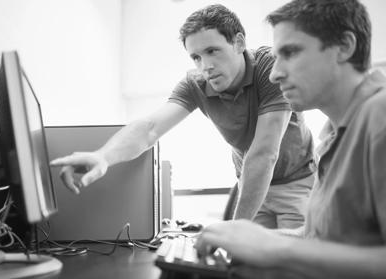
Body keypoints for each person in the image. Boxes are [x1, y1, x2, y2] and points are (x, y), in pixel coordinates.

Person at [50, 4, 315, 229]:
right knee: (249, 265)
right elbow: (150, 128)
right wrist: (103, 156)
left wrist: (235, 229)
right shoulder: (196, 83)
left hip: (295, 184)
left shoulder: (269, 67)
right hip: (251, 186)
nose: (206, 66)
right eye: (196, 57)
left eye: (213, 51)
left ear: (239, 43)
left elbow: (265, 153)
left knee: (295, 266)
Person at [194, 0, 386, 278]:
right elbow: (322, 239)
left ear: (344, 46)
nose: (275, 74)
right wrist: (252, 238)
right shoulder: (334, 132)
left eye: (290, 52)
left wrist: (276, 250)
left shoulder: (385, 115)